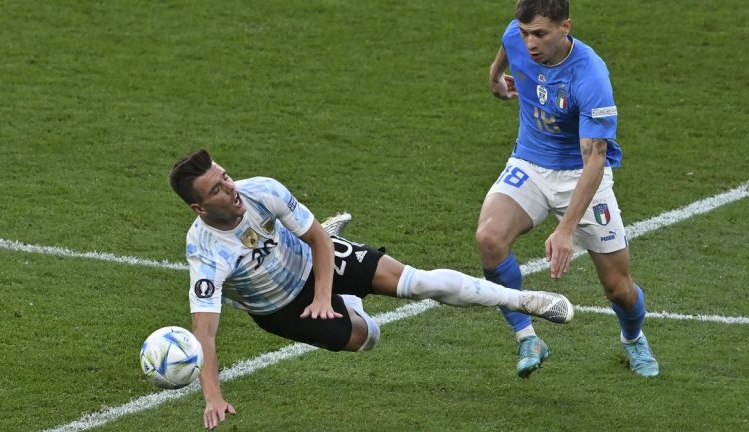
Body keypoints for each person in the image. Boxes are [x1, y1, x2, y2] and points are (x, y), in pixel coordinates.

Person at [169, 149, 574, 429]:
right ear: (199, 208)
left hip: (315, 256)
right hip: (280, 308)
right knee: (366, 338)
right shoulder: (205, 253)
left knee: (418, 282)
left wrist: (324, 295)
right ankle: (350, 300)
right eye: (216, 189)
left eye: (225, 176)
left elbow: (317, 240)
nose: (230, 188)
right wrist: (213, 397)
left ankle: (523, 300)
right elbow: (205, 332)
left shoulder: (262, 190)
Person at [476, 0, 659, 379]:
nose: (530, 43)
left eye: (540, 34)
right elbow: (507, 45)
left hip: (581, 175)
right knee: (489, 239)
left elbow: (595, 161)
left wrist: (565, 229)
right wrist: (495, 77)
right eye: (525, 33)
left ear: (565, 27)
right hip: (529, 163)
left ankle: (633, 338)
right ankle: (528, 338)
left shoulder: (590, 75)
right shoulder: (517, 36)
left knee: (618, 288)